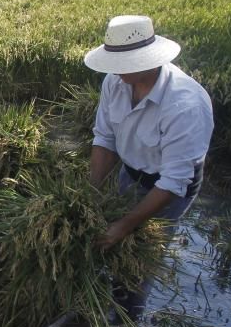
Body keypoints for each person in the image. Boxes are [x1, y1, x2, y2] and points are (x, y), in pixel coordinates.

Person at [85, 15, 214, 250]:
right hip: (131, 173)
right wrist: (90, 195)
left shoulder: (185, 106)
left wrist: (125, 225)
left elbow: (174, 181)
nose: (116, 71)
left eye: (125, 63)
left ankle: (132, 286)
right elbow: (105, 139)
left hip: (169, 190)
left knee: (142, 253)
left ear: (149, 60)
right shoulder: (115, 82)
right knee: (109, 244)